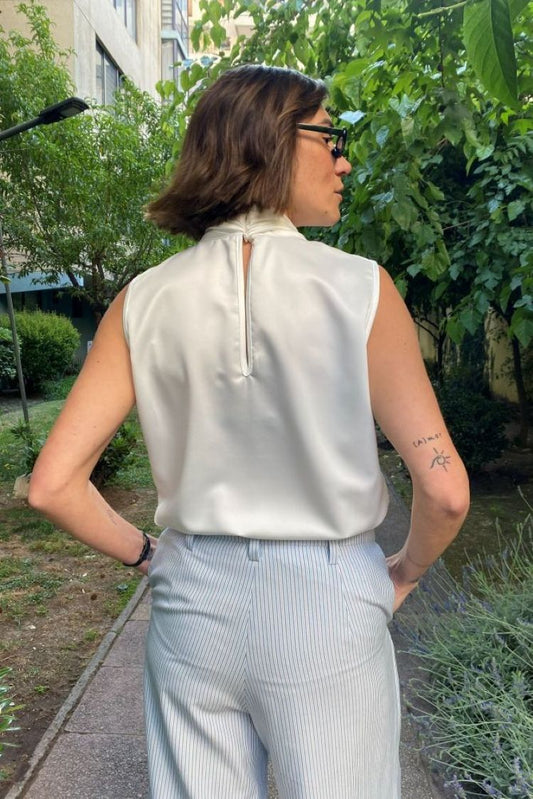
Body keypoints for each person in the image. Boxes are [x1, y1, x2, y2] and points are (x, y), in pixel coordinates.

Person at [29, 64, 469, 799]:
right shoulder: (360, 287)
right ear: (270, 141)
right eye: (329, 137)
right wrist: (405, 572)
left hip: (192, 601)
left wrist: (150, 557)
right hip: (328, 599)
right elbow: (446, 491)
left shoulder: (142, 301)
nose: (343, 161)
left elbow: (51, 485)